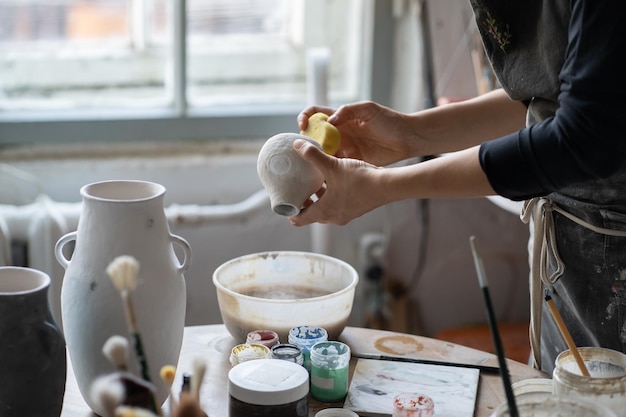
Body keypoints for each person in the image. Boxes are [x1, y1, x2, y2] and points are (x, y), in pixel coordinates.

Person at [288, 0, 626, 373]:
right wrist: (409, 134)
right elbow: (548, 103)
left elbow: (584, 136)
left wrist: (382, 186)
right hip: (563, 251)